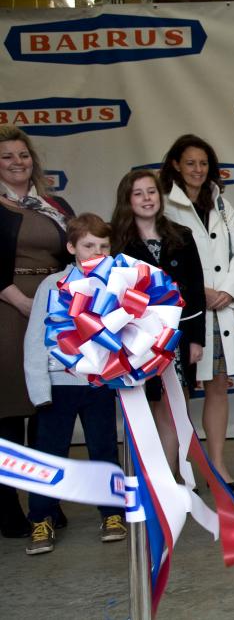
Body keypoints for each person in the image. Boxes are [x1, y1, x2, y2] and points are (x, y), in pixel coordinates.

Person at [23, 213, 127, 555]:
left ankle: (112, 514)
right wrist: (40, 391)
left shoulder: (118, 285)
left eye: (103, 246)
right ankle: (41, 517)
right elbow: (36, 339)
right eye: (88, 246)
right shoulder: (51, 286)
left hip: (98, 384)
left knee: (103, 450)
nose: (96, 251)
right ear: (71, 247)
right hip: (57, 385)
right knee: (50, 454)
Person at [161, 134, 234, 491]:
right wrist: (198, 292)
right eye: (190, 163)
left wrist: (227, 289)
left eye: (203, 163)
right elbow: (160, 261)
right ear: (175, 166)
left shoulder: (220, 202)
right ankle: (179, 468)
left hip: (219, 309)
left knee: (217, 388)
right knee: (178, 390)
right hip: (182, 313)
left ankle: (217, 467)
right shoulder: (165, 205)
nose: (198, 170)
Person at [0, 125, 74, 539]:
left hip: (54, 310)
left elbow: (77, 249)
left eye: (23, 155)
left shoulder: (53, 204)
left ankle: (45, 504)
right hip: (10, 310)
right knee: (11, 412)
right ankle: (8, 507)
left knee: (47, 409)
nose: (17, 162)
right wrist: (22, 302)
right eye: (7, 156)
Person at [111, 170, 206, 473]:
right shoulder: (117, 242)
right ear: (127, 200)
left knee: (173, 405)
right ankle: (146, 477)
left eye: (151, 191)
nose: (146, 198)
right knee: (144, 406)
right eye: (138, 193)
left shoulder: (181, 236)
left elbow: (195, 291)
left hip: (175, 340)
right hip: (134, 341)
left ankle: (171, 474)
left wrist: (196, 339)